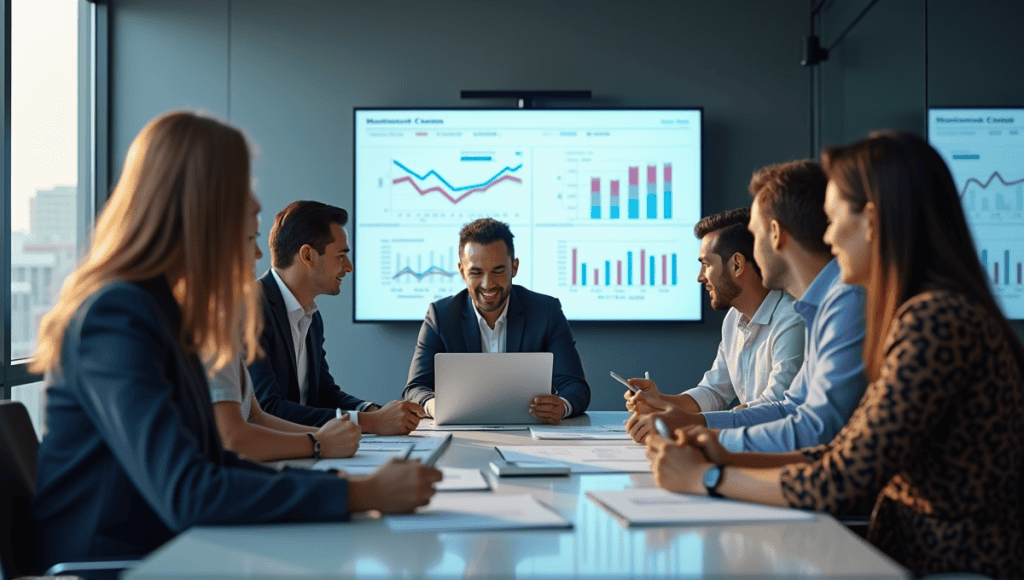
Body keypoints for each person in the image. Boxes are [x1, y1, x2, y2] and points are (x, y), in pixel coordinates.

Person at [29, 112, 441, 574]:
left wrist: (345, 483)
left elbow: (213, 461)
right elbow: (190, 490)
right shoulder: (117, 316)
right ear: (201, 210)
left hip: (168, 548)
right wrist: (357, 494)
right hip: (118, 563)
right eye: (241, 191)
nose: (259, 249)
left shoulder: (163, 312)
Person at [645, 132, 1024, 578]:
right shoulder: (927, 311)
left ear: (870, 220)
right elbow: (840, 450)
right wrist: (723, 453)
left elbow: (840, 479)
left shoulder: (935, 321)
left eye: (832, 217)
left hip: (952, 562)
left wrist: (706, 479)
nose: (826, 236)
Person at [626, 160, 867, 453]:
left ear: (776, 234)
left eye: (757, 234)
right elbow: (788, 408)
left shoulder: (842, 302)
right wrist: (687, 419)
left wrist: (701, 437)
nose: (754, 248)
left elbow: (814, 428)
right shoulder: (817, 307)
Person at [248, 201, 424, 435]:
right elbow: (267, 409)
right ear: (308, 256)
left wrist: (370, 410)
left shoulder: (311, 315)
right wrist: (370, 422)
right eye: (341, 256)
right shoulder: (252, 307)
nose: (349, 267)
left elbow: (323, 393)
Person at [403, 218, 590, 424]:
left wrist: (562, 406)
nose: (487, 284)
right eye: (476, 272)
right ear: (462, 271)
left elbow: (575, 386)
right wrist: (434, 405)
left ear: (514, 267)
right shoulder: (440, 316)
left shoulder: (546, 312)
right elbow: (415, 388)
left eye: (498, 271)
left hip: (531, 433)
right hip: (462, 434)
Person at [203, 220, 361, 462]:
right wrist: (319, 443)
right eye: (249, 239)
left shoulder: (311, 316)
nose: (259, 253)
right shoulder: (246, 311)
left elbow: (255, 416)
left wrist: (329, 436)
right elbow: (234, 436)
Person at [623, 208, 804, 417]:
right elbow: (713, 392)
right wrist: (658, 401)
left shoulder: (792, 320)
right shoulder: (734, 319)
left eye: (706, 264)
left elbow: (774, 409)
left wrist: (687, 423)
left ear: (737, 265)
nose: (700, 277)